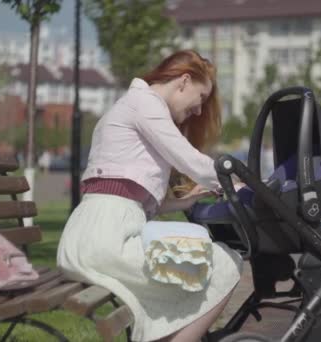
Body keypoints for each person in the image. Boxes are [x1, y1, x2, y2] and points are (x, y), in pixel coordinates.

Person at [56, 50, 243, 342]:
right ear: (183, 81)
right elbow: (188, 159)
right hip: (106, 242)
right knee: (225, 263)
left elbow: (125, 194)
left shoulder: (135, 105)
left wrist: (183, 202)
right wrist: (239, 183)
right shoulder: (144, 103)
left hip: (96, 236)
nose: (198, 110)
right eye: (201, 98)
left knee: (205, 261)